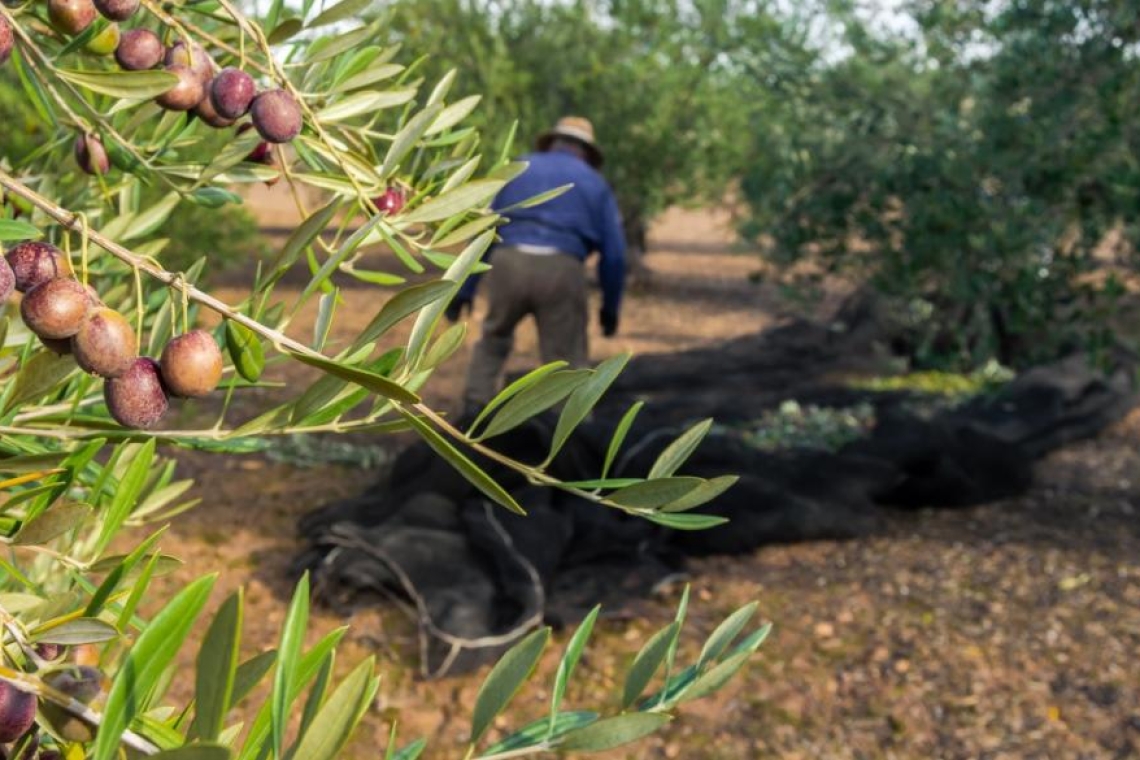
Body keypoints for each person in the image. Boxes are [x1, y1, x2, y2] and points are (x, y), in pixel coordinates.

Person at [446, 116, 626, 410]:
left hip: (509, 261)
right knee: (565, 362)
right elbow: (615, 254)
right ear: (586, 152)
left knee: (493, 339)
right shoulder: (595, 182)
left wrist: (464, 290)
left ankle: (472, 415)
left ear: (553, 142)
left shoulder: (520, 167)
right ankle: (566, 435)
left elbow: (484, 230)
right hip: (562, 267)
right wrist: (611, 308)